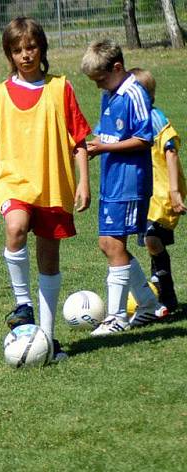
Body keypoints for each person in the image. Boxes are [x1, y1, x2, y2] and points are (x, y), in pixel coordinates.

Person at [0, 17, 91, 361]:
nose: (25, 55)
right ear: (9, 55)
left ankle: (47, 335)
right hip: (13, 181)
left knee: (49, 257)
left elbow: (79, 141)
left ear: (41, 48)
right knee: (15, 227)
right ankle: (22, 304)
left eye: (30, 47)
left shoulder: (60, 88)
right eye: (17, 50)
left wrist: (84, 180)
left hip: (52, 184)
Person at [81, 40, 168, 336]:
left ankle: (117, 317)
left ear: (117, 67)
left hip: (129, 181)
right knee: (108, 244)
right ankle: (146, 305)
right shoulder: (110, 93)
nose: (97, 86)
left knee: (114, 245)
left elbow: (145, 139)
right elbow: (106, 135)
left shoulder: (134, 93)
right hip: (111, 179)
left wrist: (104, 148)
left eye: (101, 79)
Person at [129, 67, 186, 312]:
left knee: (152, 238)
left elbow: (170, 153)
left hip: (163, 194)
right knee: (151, 242)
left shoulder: (155, 119)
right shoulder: (135, 122)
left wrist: (174, 192)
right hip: (145, 195)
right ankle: (160, 291)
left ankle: (167, 296)